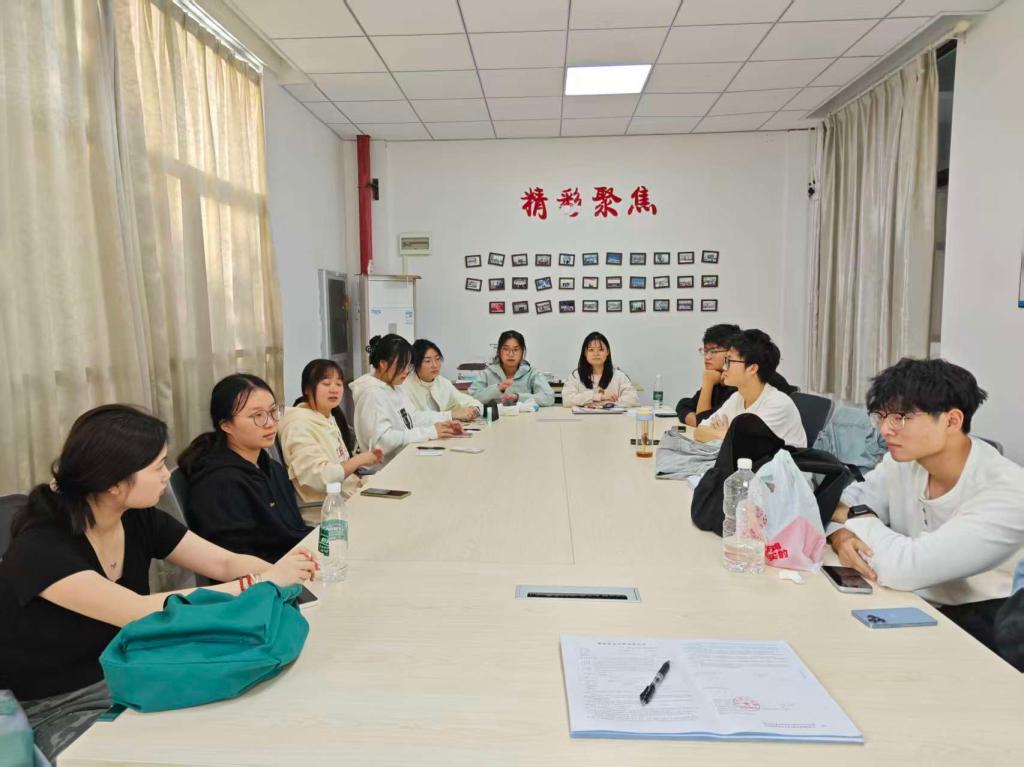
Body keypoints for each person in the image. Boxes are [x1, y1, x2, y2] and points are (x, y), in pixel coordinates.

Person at [0, 405, 317, 762]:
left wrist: (286, 574)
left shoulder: (135, 518)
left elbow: (223, 562)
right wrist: (261, 583)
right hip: (59, 705)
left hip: (131, 672)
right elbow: (138, 611)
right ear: (114, 483)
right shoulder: (41, 549)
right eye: (158, 466)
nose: (167, 475)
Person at [826, 358, 1024, 651]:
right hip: (910, 602)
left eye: (901, 417)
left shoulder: (1009, 491)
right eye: (881, 416)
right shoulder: (903, 462)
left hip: (986, 628)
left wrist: (858, 517)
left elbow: (904, 568)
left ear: (952, 421)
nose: (885, 430)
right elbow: (837, 506)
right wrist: (841, 535)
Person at [178, 374, 313, 562]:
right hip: (266, 574)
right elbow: (236, 558)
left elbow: (291, 530)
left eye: (273, 411)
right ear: (226, 425)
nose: (270, 422)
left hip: (297, 558)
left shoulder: (271, 466)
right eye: (257, 415)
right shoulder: (218, 483)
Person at [278, 359, 383, 502]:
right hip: (329, 507)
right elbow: (321, 478)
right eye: (326, 384)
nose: (334, 389)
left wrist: (364, 460)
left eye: (339, 384)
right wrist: (359, 460)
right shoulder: (298, 426)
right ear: (307, 389)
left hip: (351, 492)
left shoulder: (327, 417)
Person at [351, 334, 463, 461]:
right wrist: (430, 432)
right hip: (384, 467)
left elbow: (413, 417)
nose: (406, 371)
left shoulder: (394, 386)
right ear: (383, 364)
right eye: (401, 365)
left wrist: (446, 420)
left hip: (403, 458)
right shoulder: (371, 393)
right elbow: (383, 442)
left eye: (408, 365)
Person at [692, 329, 806, 447]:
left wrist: (724, 434)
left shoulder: (778, 404)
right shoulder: (737, 397)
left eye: (729, 360)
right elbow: (700, 431)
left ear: (752, 369)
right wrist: (726, 435)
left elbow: (745, 446)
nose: (724, 367)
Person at [676, 323, 797, 426]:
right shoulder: (731, 390)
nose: (707, 357)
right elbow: (687, 408)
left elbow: (702, 422)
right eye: (705, 351)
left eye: (714, 351)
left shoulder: (751, 382)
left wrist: (707, 384)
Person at [401, 339, 483, 421]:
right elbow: (414, 419)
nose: (435, 365)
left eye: (437, 359)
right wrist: (451, 415)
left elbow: (469, 401)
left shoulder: (442, 382)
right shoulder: (405, 386)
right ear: (415, 363)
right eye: (428, 361)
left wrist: (474, 409)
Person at [469, 330, 555, 407]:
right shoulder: (487, 373)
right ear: (499, 352)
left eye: (516, 349)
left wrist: (518, 397)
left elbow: (549, 397)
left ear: (522, 352)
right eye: (506, 349)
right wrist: (498, 388)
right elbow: (472, 398)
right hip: (496, 418)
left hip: (525, 418)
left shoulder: (531, 373)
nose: (510, 354)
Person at [561, 331, 639, 408]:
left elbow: (633, 399)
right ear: (585, 353)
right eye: (591, 350)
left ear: (607, 352)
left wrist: (607, 403)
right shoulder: (576, 376)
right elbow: (567, 400)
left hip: (612, 416)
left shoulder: (619, 376)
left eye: (601, 349)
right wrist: (597, 396)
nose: (596, 354)